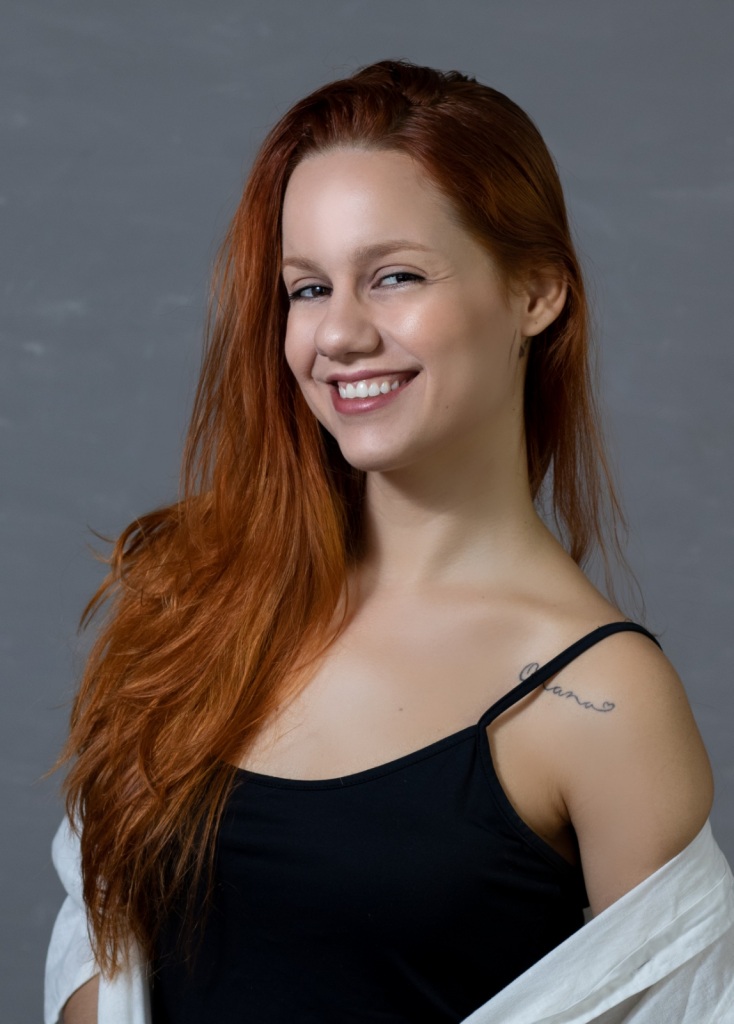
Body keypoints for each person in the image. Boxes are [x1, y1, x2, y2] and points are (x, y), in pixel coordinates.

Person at [47, 60, 733, 1024]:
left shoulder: (603, 700)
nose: (339, 334)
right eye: (307, 288)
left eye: (395, 276)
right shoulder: (197, 599)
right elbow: (101, 943)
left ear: (537, 293)